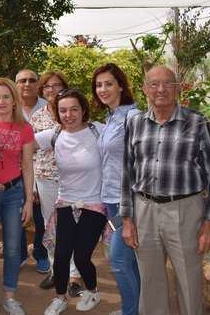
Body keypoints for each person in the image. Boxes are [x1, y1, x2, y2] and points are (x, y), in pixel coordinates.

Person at [120, 65, 210, 315]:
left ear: (177, 88)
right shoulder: (135, 123)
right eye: (154, 84)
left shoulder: (197, 122)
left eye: (168, 83)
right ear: (145, 89)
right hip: (144, 210)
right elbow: (127, 172)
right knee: (151, 281)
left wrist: (209, 225)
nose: (161, 89)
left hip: (185, 210)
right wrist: (127, 220)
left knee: (189, 279)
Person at [34, 89, 107, 315]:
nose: (69, 114)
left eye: (74, 109)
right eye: (63, 110)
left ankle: (93, 290)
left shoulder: (99, 131)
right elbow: (23, 144)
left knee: (83, 256)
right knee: (62, 254)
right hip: (65, 202)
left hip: (94, 203)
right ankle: (59, 298)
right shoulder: (54, 135)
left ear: (83, 109)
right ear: (57, 112)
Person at [0, 78, 35, 315]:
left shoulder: (24, 128)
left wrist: (29, 200)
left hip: (13, 193)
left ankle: (10, 296)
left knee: (12, 247)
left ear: (14, 100)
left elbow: (27, 165)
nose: (1, 101)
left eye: (5, 97)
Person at [91, 63, 141, 315]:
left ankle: (132, 311)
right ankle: (133, 308)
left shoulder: (132, 118)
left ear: (121, 85)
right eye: (99, 85)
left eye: (108, 83)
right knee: (129, 261)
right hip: (110, 198)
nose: (103, 89)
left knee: (119, 261)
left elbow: (142, 162)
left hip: (127, 200)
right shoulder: (111, 118)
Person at [30, 72, 81, 293]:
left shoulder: (71, 112)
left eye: (57, 85)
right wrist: (32, 186)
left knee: (73, 227)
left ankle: (74, 276)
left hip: (72, 180)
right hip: (45, 179)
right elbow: (30, 153)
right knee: (50, 227)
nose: (52, 89)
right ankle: (56, 270)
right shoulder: (36, 117)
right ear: (42, 90)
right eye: (47, 86)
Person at [15, 68, 50, 275]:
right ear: (16, 84)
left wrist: (35, 184)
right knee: (15, 213)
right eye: (22, 81)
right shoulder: (8, 108)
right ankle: (19, 253)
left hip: (41, 172)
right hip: (13, 171)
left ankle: (41, 253)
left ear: (38, 84)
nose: (27, 84)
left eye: (31, 80)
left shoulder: (48, 108)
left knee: (40, 216)